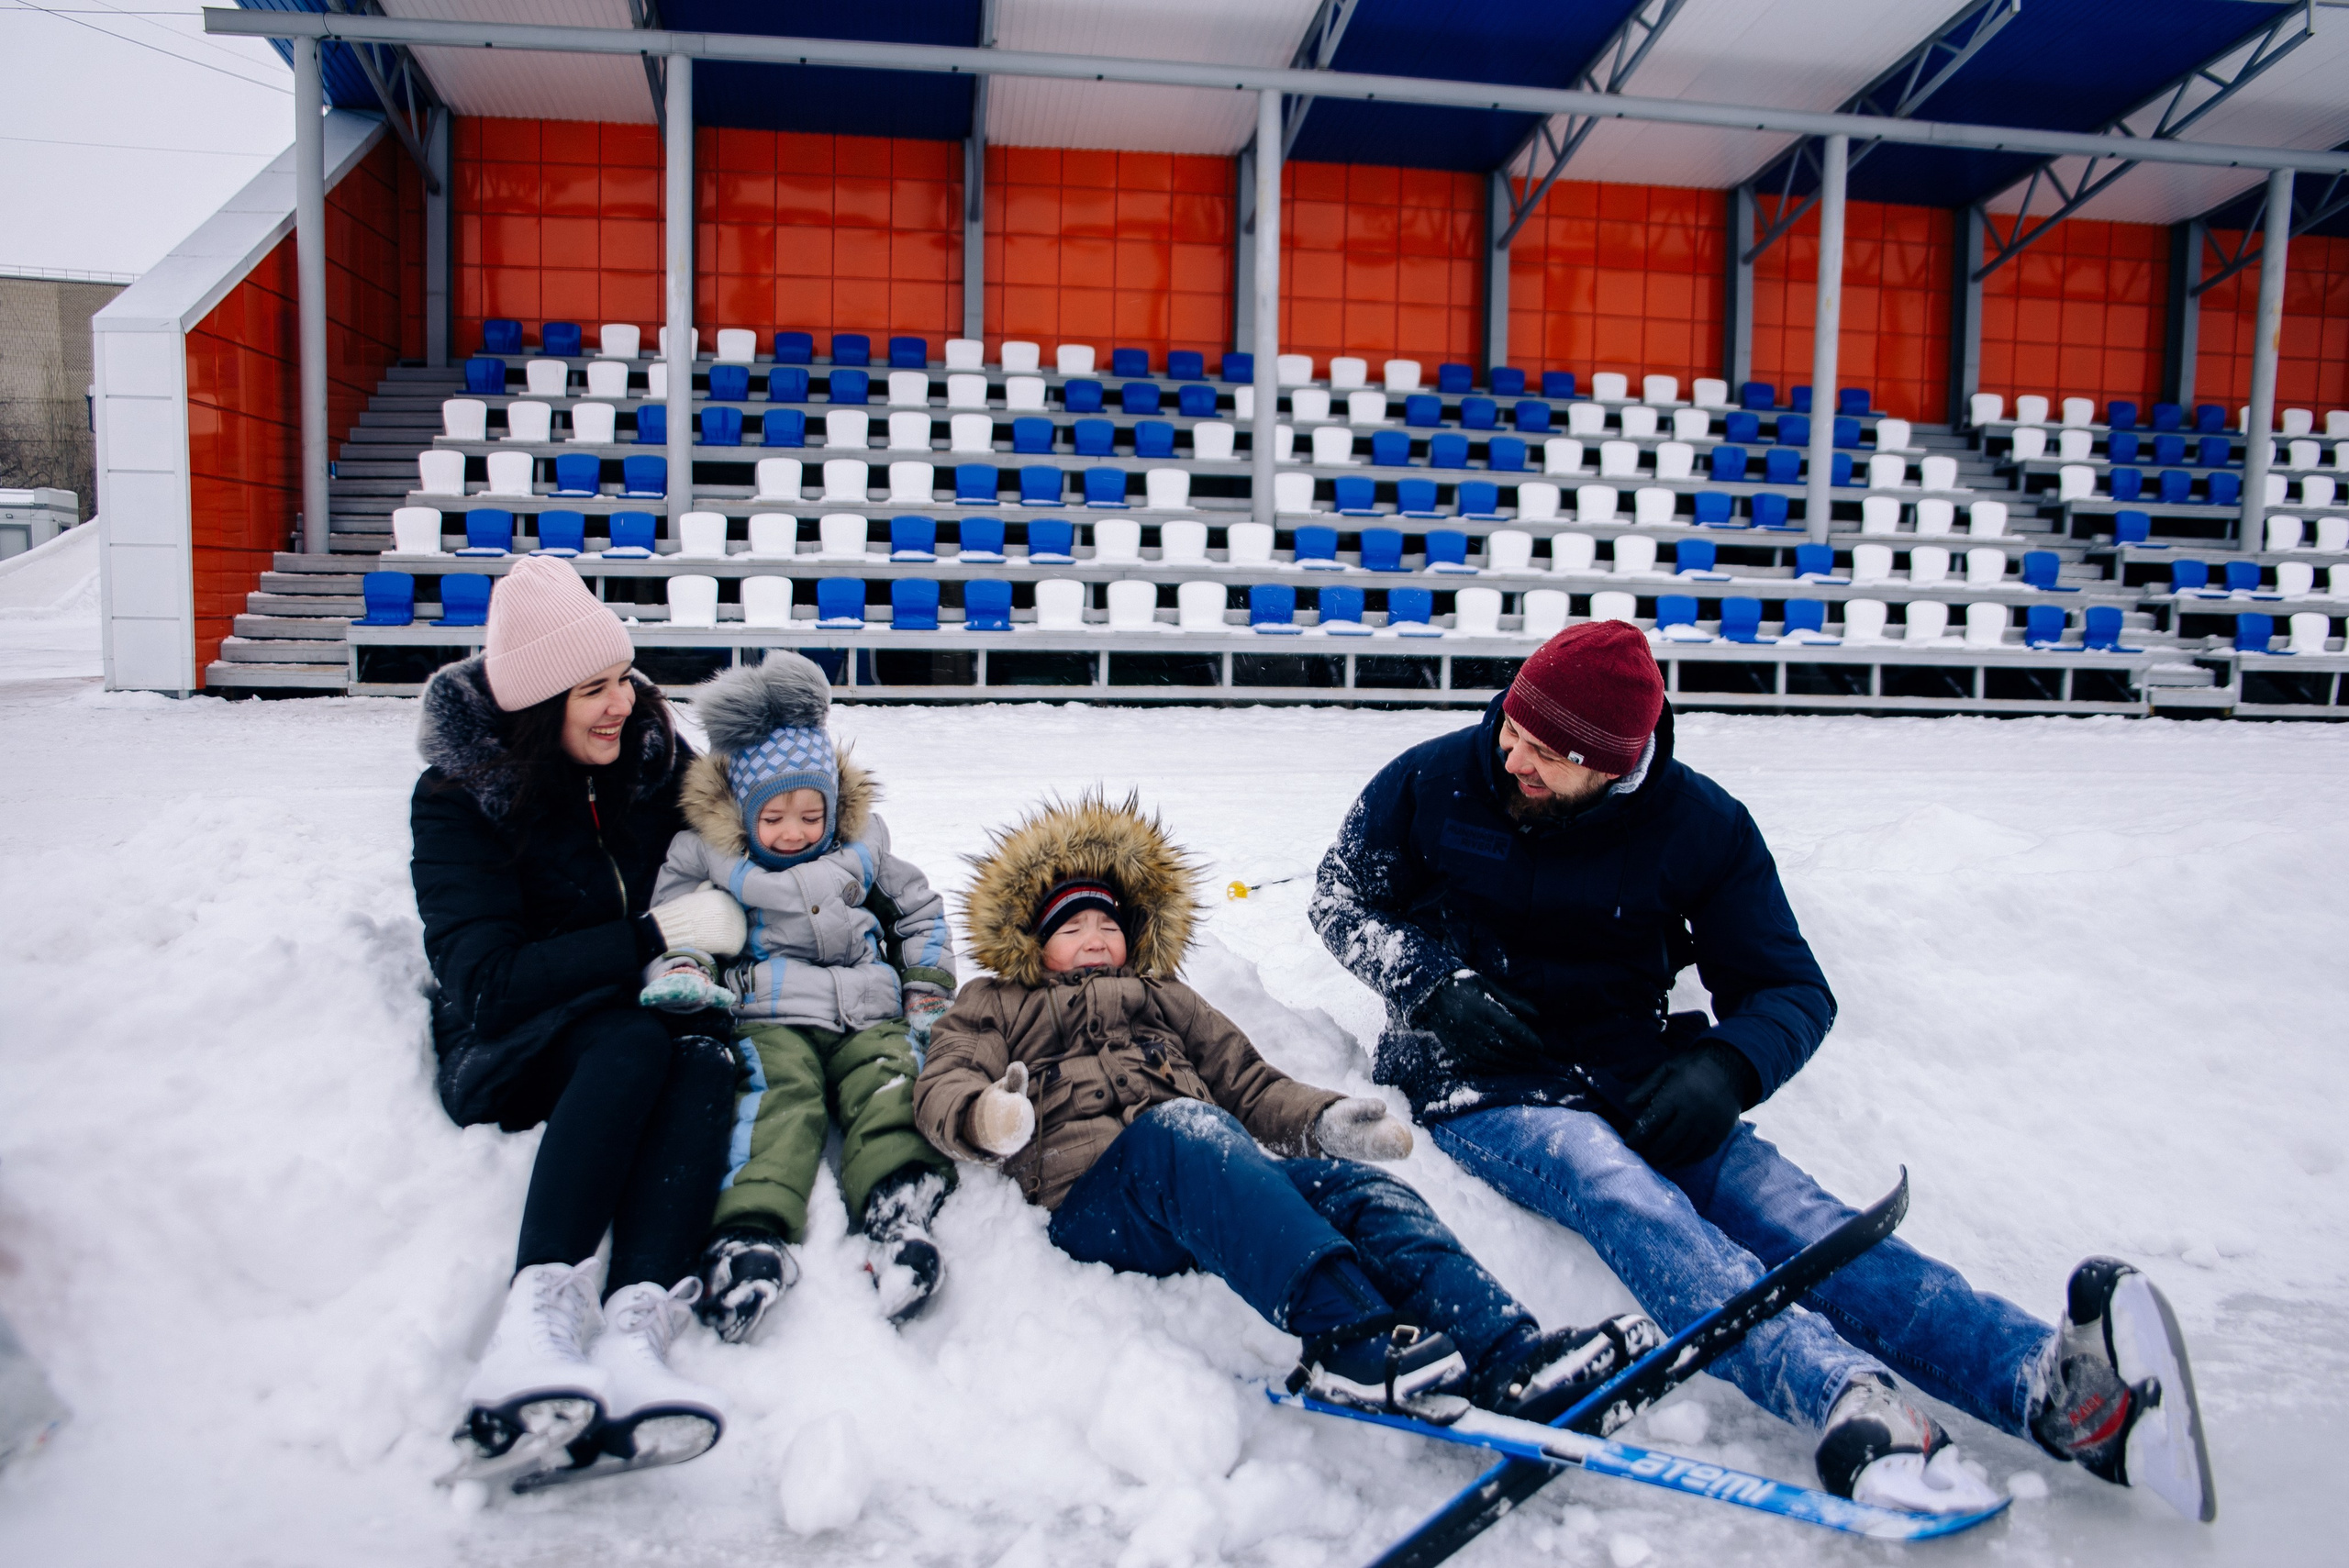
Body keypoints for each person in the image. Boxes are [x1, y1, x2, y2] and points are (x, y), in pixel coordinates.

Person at [1309, 621, 2213, 1519]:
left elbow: (1788, 986)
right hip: (1480, 1081)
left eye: (1546, 750)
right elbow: (1337, 896)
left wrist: (1725, 1067)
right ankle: (1845, 1399)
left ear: (1614, 762)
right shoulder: (1434, 777)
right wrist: (1428, 982)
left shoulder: (1700, 825)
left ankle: (2053, 1391)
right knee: (1620, 1191)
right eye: (1512, 726)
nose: (1512, 756)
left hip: (1638, 1075)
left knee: (1804, 1220)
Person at [913, 795, 1659, 1423]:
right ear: (1034, 941)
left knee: (1361, 1193)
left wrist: (1325, 1120)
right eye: (1071, 928)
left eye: (1108, 925)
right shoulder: (995, 1001)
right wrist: (986, 1116)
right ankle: (1351, 1338)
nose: (1094, 940)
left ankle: (1509, 1353)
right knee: (1182, 1129)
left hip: (1210, 1186)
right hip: (1096, 1203)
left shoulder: (1167, 997)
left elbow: (1247, 1081)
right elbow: (943, 1079)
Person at [411, 556, 749, 1488]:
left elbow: (762, 843)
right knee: (638, 1039)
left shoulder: (648, 755)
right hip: (514, 1039)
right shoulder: (459, 796)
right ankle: (534, 1321)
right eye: (592, 689)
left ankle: (638, 1327)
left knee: (704, 1056)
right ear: (533, 705)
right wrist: (650, 932)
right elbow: (483, 980)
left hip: (638, 1007)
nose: (621, 704)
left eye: (623, 680)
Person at [640, 653, 959, 1335]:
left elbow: (921, 911)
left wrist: (927, 984)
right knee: (775, 1096)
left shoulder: (865, 851)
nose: (794, 832)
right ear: (745, 815)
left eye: (811, 814)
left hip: (867, 1007)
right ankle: (749, 1233)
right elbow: (681, 920)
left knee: (889, 1078)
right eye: (776, 817)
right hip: (772, 1013)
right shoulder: (710, 859)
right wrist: (689, 967)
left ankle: (898, 1205)